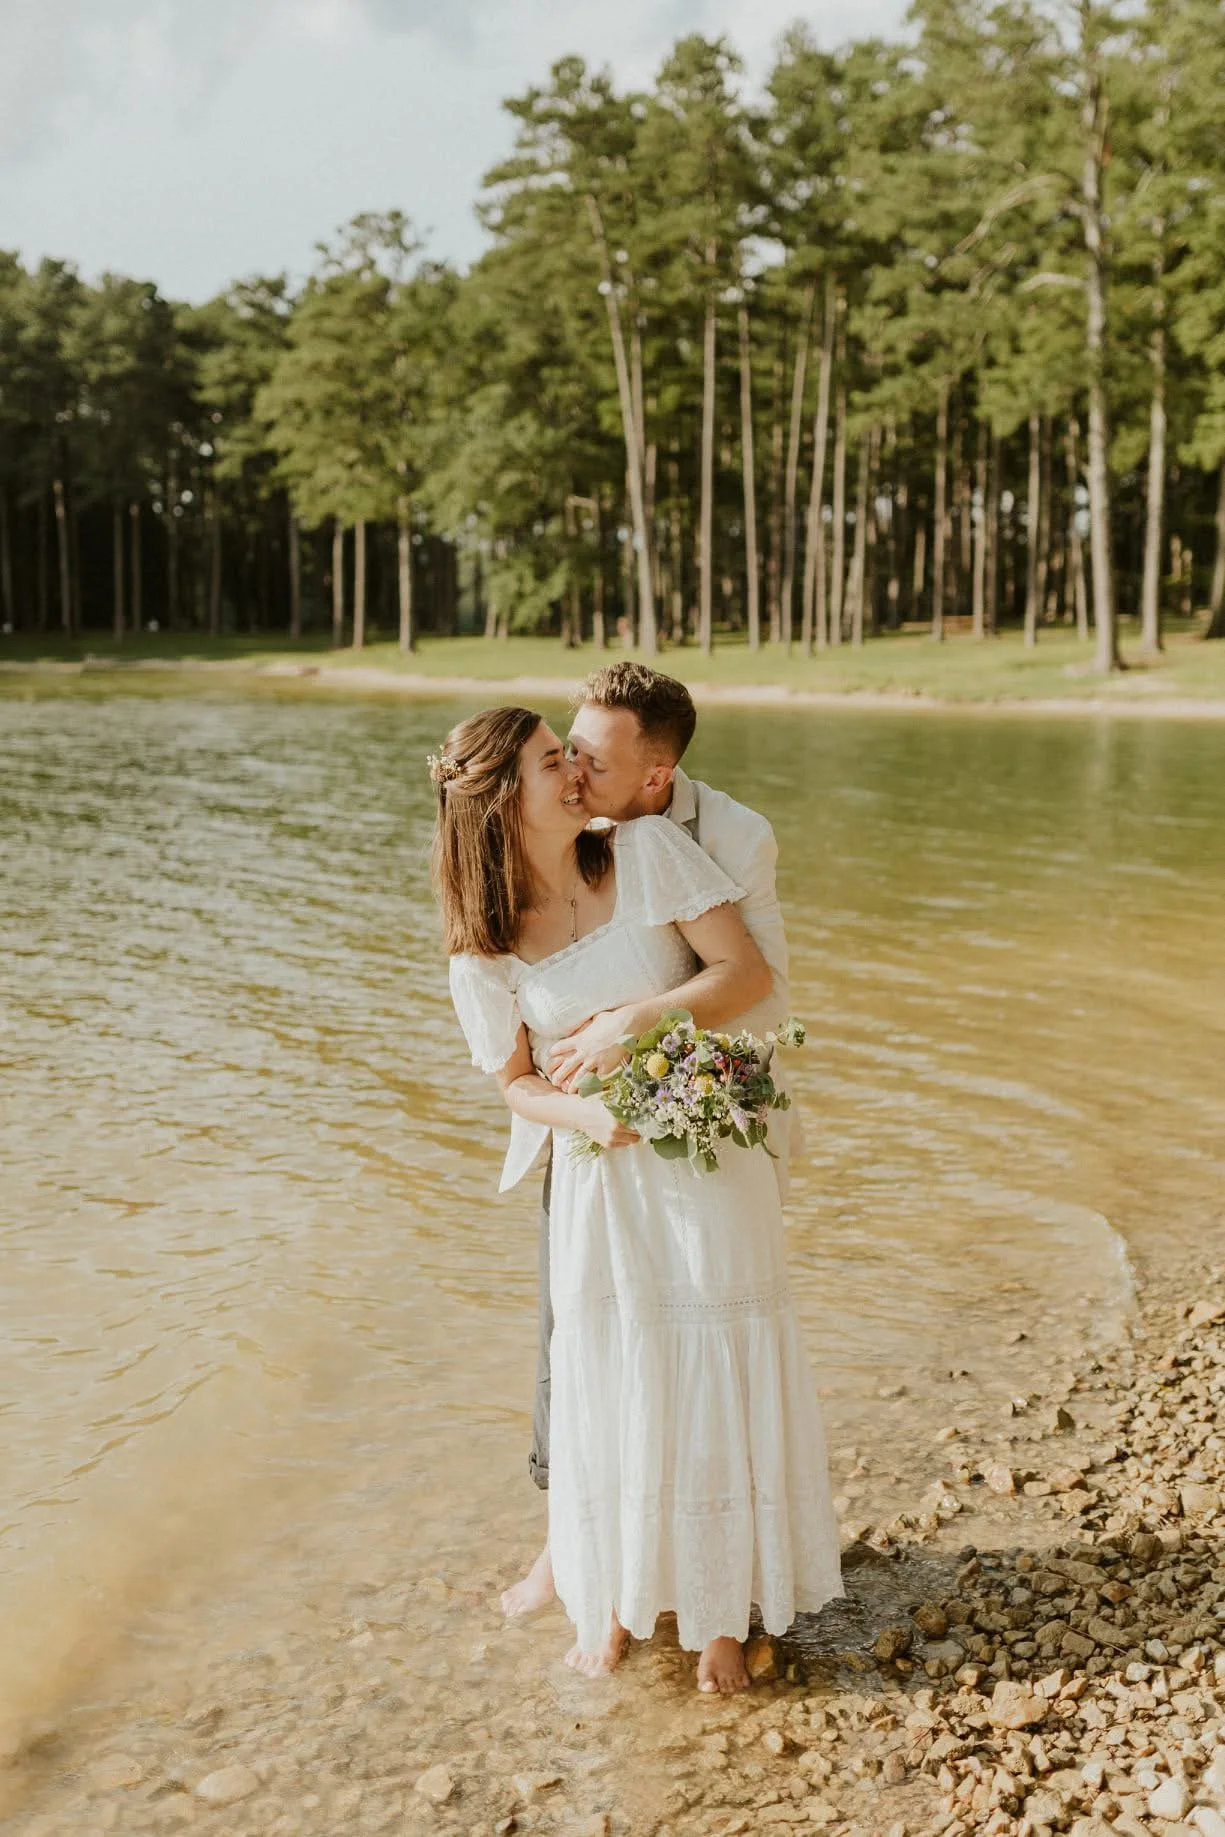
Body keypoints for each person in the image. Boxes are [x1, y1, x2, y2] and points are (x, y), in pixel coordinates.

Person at [435, 703, 843, 1693]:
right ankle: (611, 1591)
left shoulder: (648, 852)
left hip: (708, 1154)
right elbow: (518, 1086)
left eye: (569, 757)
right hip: (600, 1177)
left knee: (712, 1366)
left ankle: (718, 1612)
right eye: (549, 764)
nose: (575, 773)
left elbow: (741, 974)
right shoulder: (480, 945)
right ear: (501, 802)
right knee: (613, 1379)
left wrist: (634, 1021)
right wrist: (583, 1124)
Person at [510, 664, 803, 1624]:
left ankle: (716, 1577)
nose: (568, 769)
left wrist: (637, 1036)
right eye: (566, 746)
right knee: (576, 1337)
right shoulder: (558, 831)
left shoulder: (730, 837)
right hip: (587, 1127)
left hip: (698, 1109)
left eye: (589, 759)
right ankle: (572, 1543)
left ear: (653, 774)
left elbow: (756, 988)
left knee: (698, 1338)